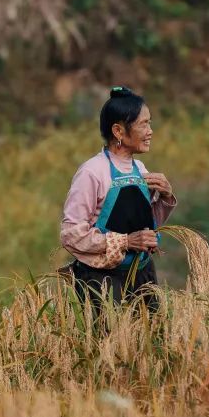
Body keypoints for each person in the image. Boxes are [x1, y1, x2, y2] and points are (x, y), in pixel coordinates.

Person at [60, 86, 177, 316]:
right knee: (110, 345)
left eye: (150, 123)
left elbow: (147, 226)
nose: (150, 131)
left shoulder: (140, 169)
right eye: (144, 124)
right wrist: (125, 242)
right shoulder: (92, 172)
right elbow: (70, 234)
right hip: (102, 281)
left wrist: (165, 196)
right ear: (119, 131)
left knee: (150, 343)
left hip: (141, 274)